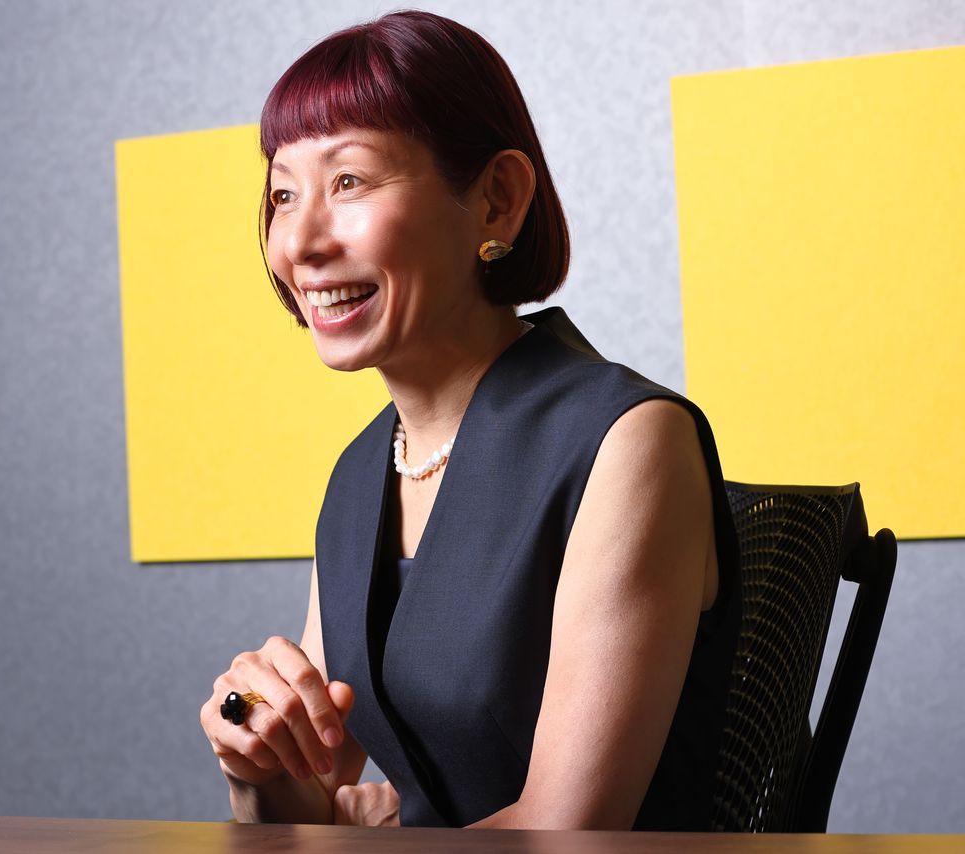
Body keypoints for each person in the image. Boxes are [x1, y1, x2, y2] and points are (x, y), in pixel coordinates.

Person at [198, 10, 741, 830]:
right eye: (282, 194)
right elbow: (313, 798)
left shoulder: (629, 442)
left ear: (497, 200)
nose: (300, 240)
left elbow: (565, 832)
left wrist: (381, 830)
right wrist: (256, 760)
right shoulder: (361, 473)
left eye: (349, 182)